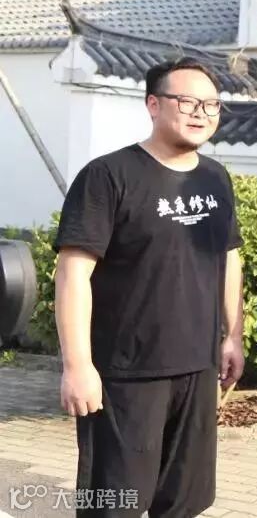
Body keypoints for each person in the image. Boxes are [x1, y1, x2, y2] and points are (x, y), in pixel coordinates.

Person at [53, 57, 244, 517]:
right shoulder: (108, 176)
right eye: (187, 101)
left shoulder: (215, 177)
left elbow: (228, 257)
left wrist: (232, 336)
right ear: (153, 105)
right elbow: (73, 272)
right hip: (126, 374)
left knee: (182, 501)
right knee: (114, 503)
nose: (201, 113)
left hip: (197, 368)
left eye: (212, 104)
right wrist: (77, 365)